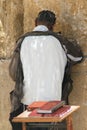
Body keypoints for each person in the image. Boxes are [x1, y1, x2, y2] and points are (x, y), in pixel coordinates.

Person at [9, 10, 83, 130]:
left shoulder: (22, 42)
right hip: (53, 104)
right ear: (52, 25)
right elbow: (78, 57)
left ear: (35, 22)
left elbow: (13, 73)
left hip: (28, 103)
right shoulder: (60, 41)